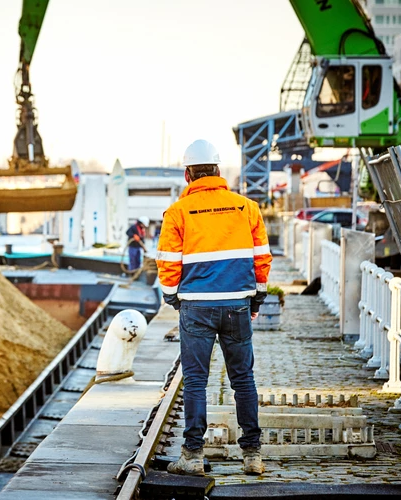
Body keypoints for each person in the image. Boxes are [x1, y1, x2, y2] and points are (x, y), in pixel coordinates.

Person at [156, 139, 272, 476]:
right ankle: (252, 455)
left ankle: (192, 456)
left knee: (195, 382)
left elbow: (167, 265)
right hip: (237, 305)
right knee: (243, 380)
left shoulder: (177, 212)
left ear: (188, 174)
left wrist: (173, 299)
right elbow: (262, 259)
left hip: (195, 307)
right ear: (219, 171)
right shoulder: (246, 207)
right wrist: (257, 298)